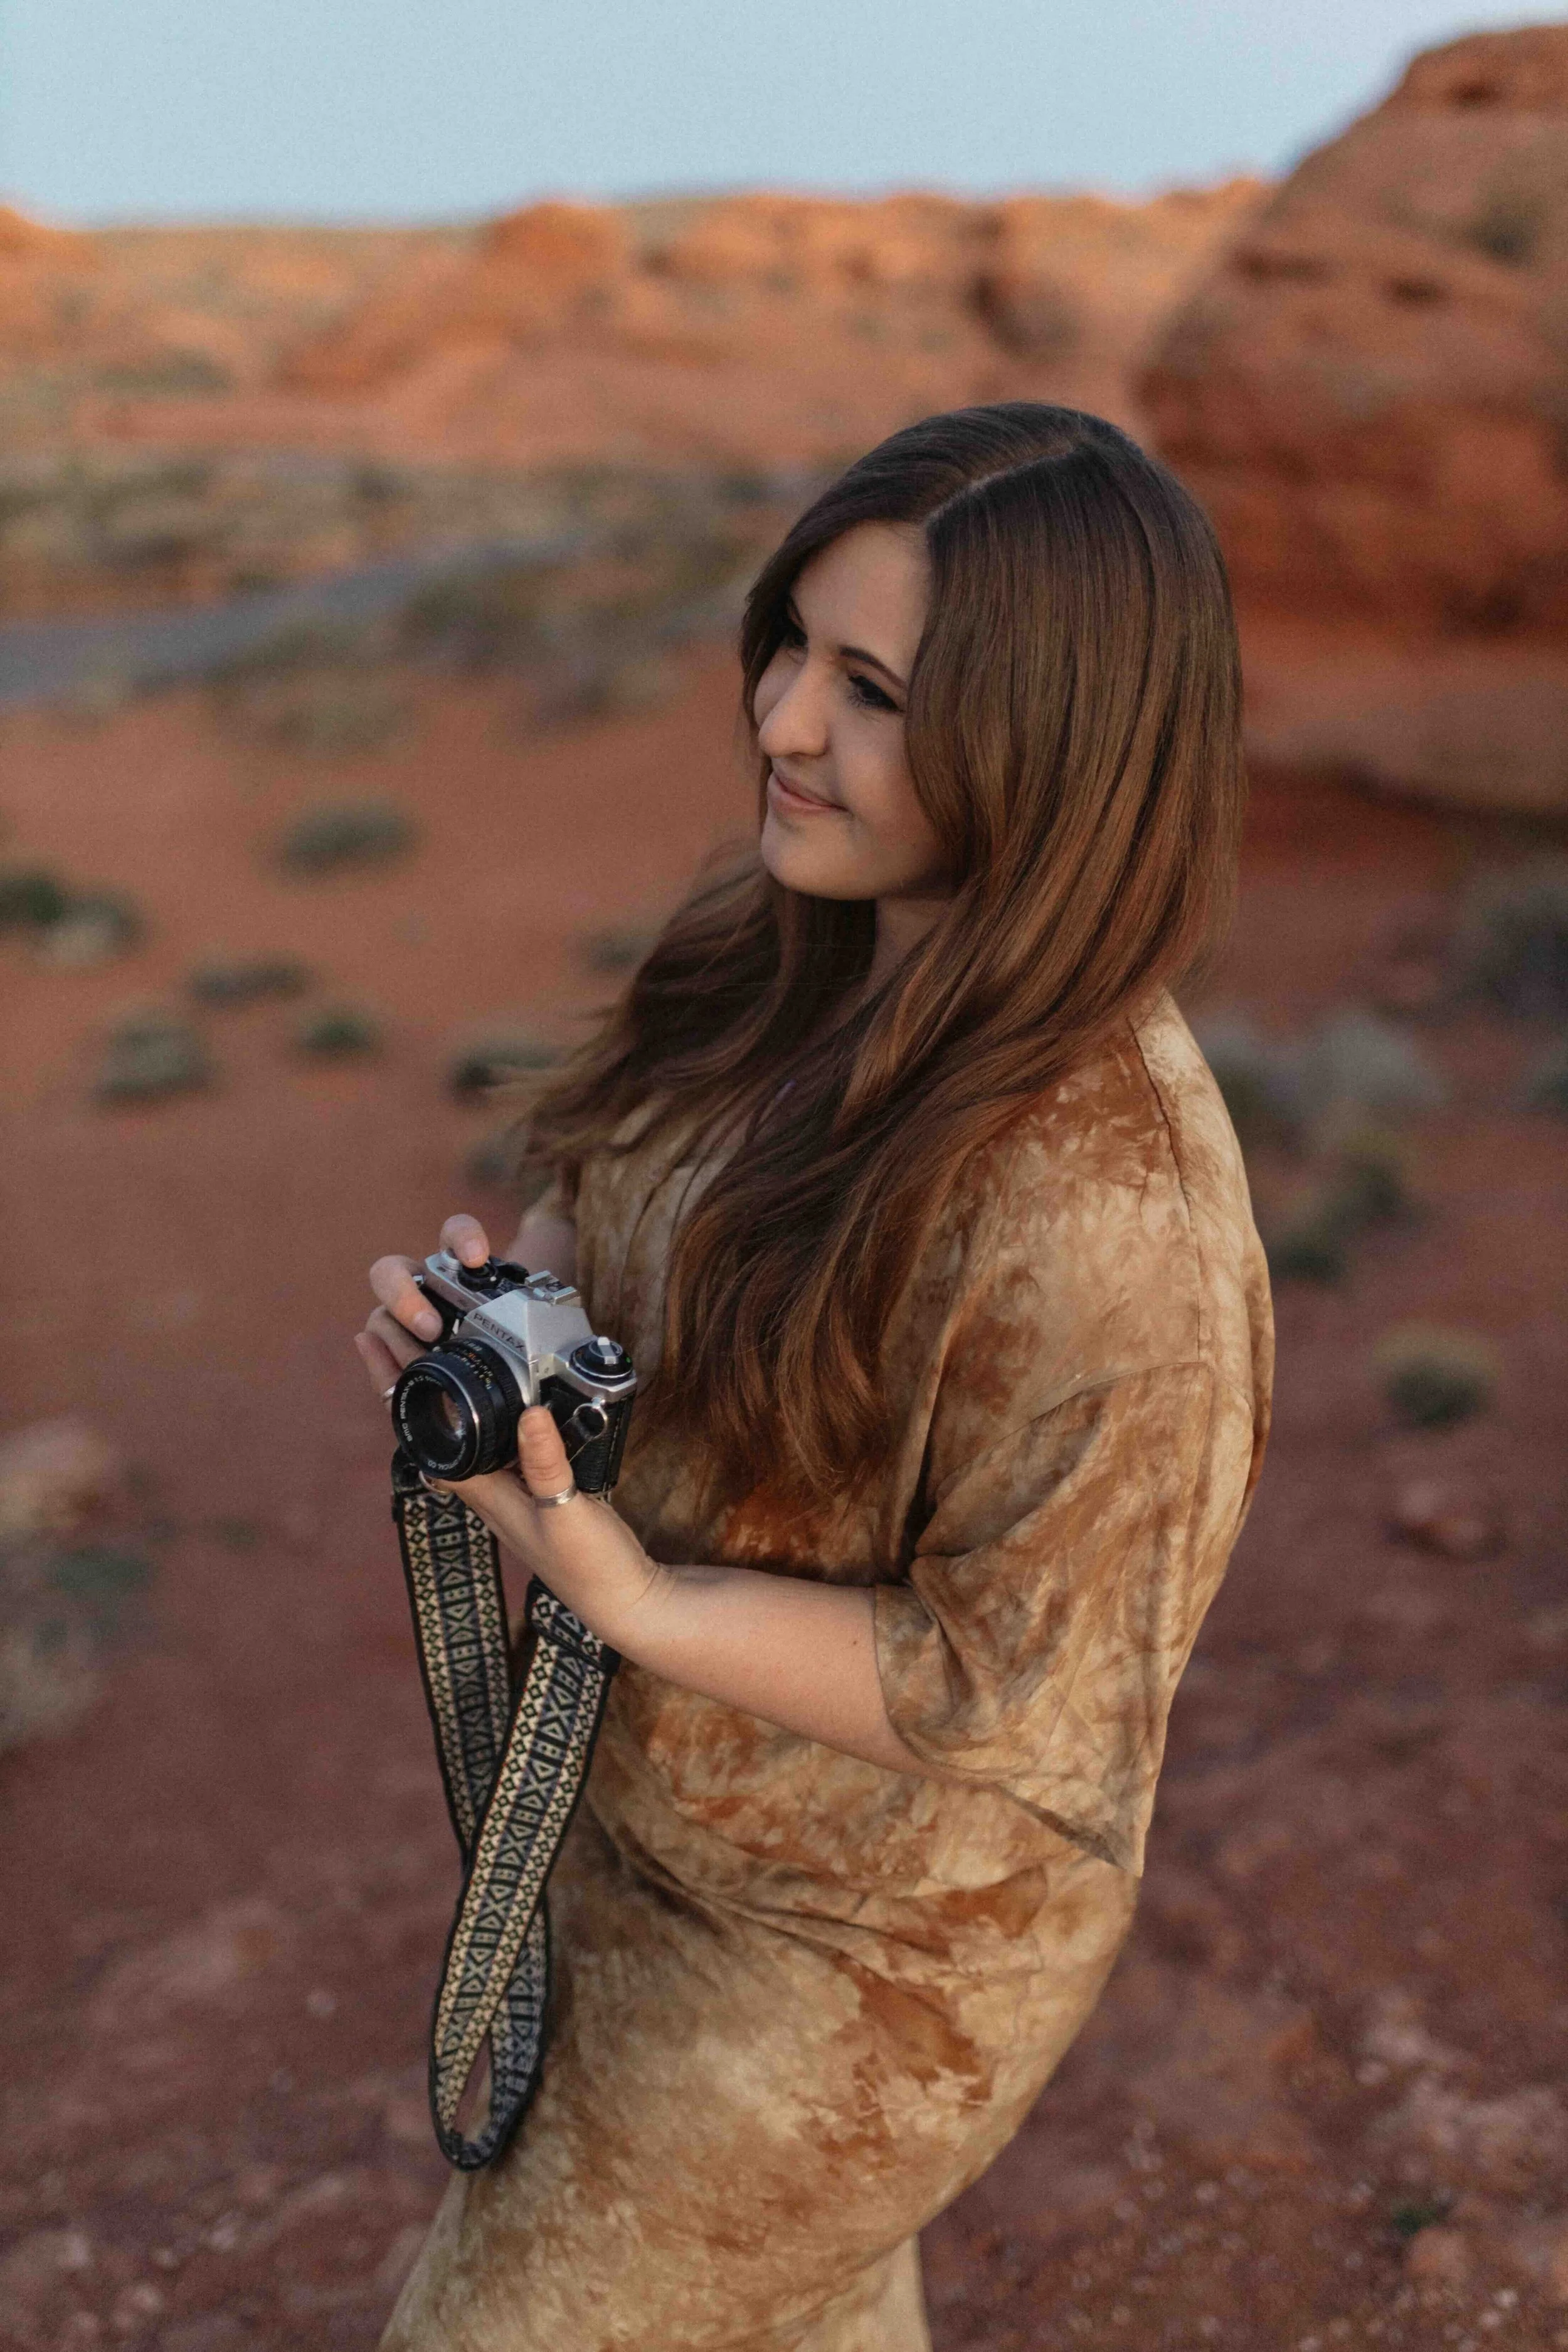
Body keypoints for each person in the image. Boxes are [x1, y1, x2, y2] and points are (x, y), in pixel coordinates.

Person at [355, 402, 1273, 2352]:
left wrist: (630, 1591)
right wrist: (510, 1310)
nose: (779, 723)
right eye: (789, 643)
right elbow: (615, 1169)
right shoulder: (807, 930)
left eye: (870, 690)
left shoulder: (1107, 1208)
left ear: (1055, 742)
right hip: (633, 1822)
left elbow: (1021, 1686)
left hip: (856, 1966)